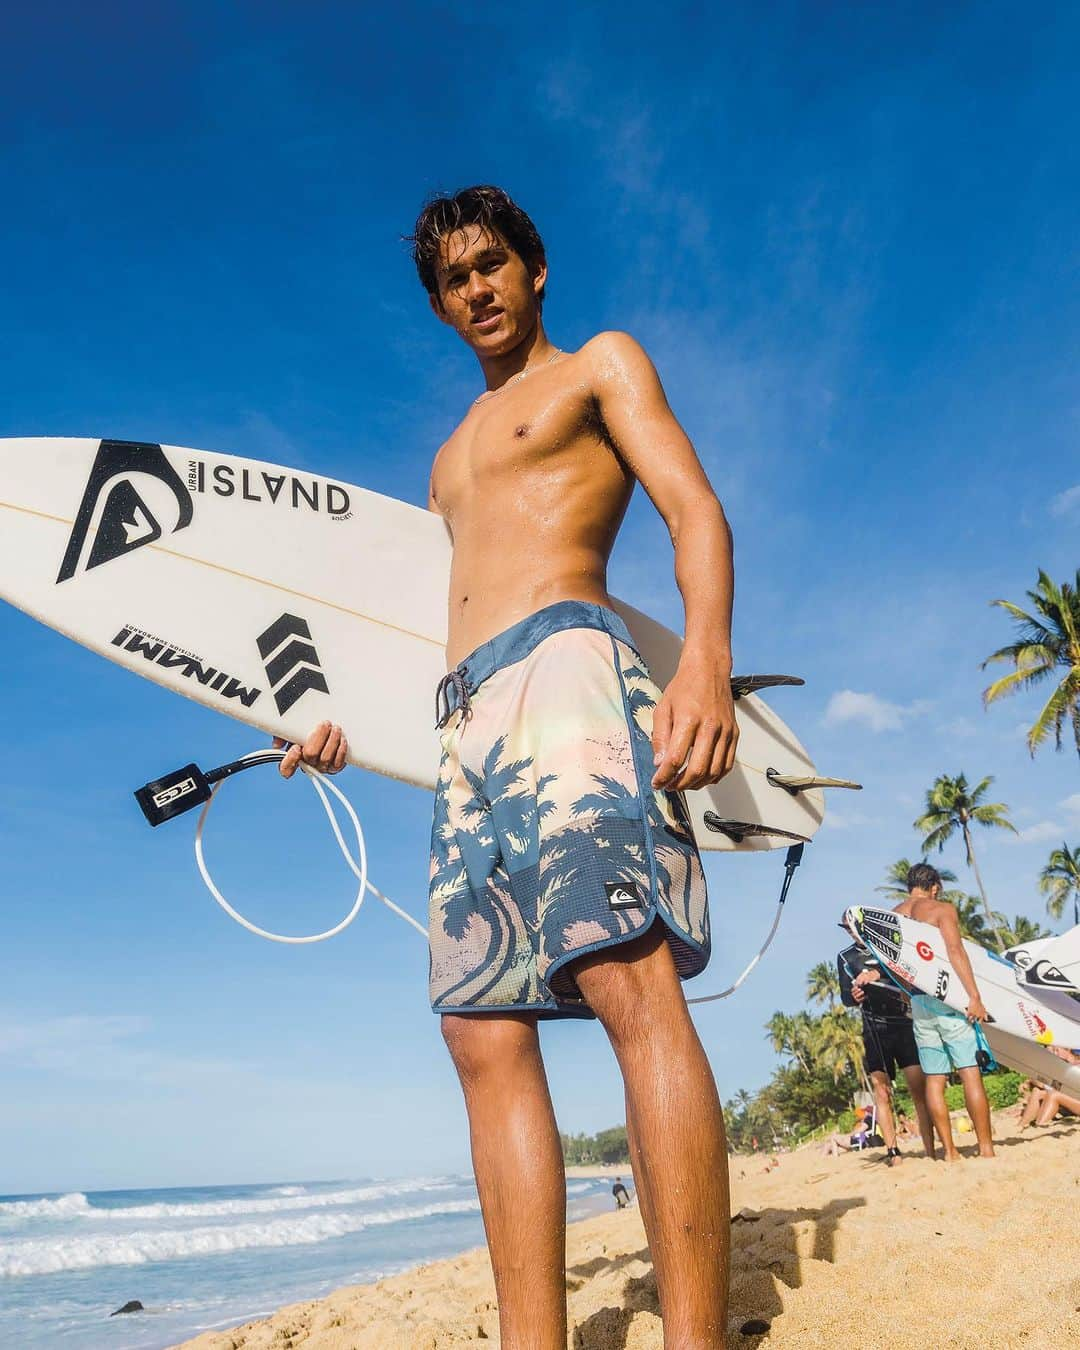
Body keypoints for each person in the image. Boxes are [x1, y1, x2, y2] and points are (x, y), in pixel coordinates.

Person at [280, 185, 738, 1348]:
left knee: (627, 981)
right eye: (452, 279)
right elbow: (428, 627)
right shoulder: (444, 460)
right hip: (462, 719)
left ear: (535, 270)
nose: (475, 289)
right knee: (478, 1034)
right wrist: (343, 727)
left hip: (573, 671)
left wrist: (704, 664)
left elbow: (693, 510)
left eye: (492, 264)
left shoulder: (599, 367)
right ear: (438, 304)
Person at [867, 863, 996, 1161]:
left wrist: (905, 992)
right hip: (948, 998)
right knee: (969, 1073)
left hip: (920, 1002)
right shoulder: (941, 909)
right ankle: (986, 1149)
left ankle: (950, 1153)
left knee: (935, 1080)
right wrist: (974, 997)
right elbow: (955, 951)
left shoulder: (894, 914)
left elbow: (890, 964)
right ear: (935, 886)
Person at [837, 937, 934, 1163]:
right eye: (848, 929)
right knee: (882, 1092)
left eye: (855, 927)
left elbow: (906, 970)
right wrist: (853, 997)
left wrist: (877, 973)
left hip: (902, 1022)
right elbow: (845, 997)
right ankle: (893, 1151)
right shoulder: (845, 957)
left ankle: (930, 1149)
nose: (853, 933)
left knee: (918, 1088)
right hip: (874, 1028)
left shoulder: (887, 947)